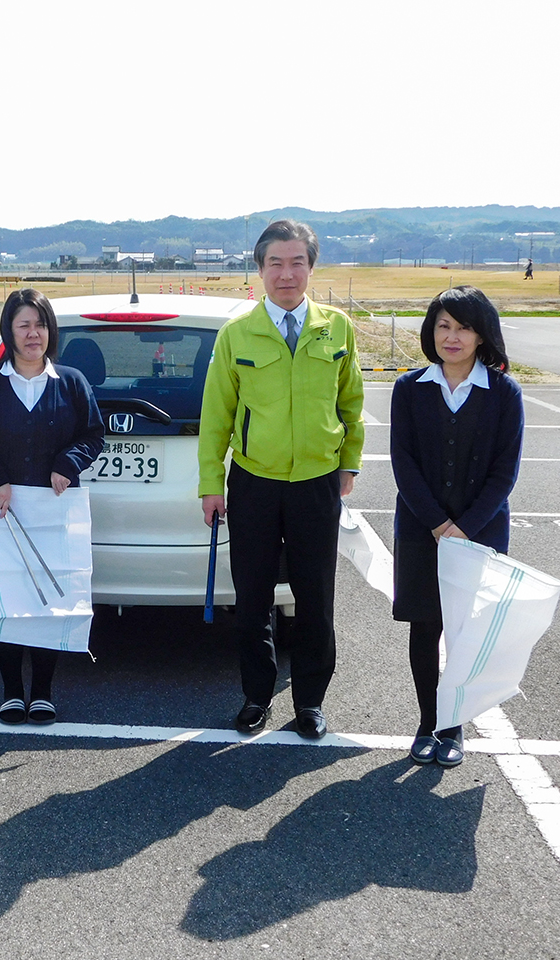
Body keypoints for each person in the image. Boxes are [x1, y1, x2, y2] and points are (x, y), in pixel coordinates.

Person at [198, 219, 365, 740]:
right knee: (252, 599)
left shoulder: (337, 328)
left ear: (311, 268)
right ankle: (255, 695)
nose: (286, 274)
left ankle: (310, 701)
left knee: (316, 599)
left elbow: (351, 402)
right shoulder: (236, 334)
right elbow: (216, 415)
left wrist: (349, 463)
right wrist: (211, 483)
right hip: (254, 482)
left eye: (297, 262)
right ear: (260, 269)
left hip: (318, 482)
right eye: (276, 262)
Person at [0, 288, 103, 725]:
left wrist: (68, 464)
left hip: (52, 512)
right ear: (9, 331)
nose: (33, 333)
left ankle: (43, 692)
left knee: (50, 597)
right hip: (1, 511)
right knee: (6, 596)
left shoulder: (71, 382)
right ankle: (12, 691)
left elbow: (93, 435)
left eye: (40, 324)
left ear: (50, 330)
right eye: (24, 325)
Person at [390, 286, 524, 767]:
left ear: (482, 334)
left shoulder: (504, 393)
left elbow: (504, 471)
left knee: (465, 634)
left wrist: (464, 527)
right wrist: (437, 523)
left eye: (464, 327)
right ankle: (427, 723)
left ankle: (454, 728)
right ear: (430, 331)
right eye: (443, 325)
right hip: (420, 529)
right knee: (425, 628)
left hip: (480, 534)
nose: (453, 336)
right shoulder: (409, 388)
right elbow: (403, 463)